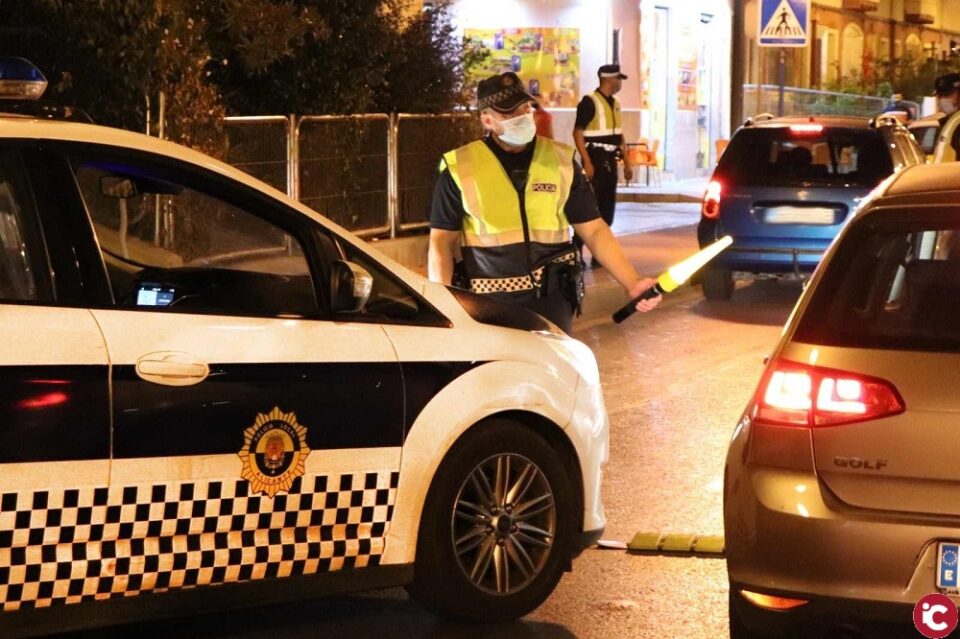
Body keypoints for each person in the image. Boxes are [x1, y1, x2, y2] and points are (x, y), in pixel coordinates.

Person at [428, 72, 661, 333]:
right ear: (487, 120)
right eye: (510, 113)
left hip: (552, 301)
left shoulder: (560, 160)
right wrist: (441, 305)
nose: (522, 117)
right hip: (489, 305)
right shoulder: (461, 167)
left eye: (526, 108)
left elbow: (594, 230)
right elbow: (441, 242)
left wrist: (632, 282)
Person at [573, 64, 633, 268]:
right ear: (609, 79)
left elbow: (620, 135)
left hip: (610, 159)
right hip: (596, 158)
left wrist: (627, 161)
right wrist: (587, 162)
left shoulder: (615, 103)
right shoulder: (589, 102)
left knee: (607, 211)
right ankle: (576, 253)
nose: (620, 83)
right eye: (618, 79)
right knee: (589, 209)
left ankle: (600, 256)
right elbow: (577, 132)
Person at [934, 72, 960, 163]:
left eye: (947, 95)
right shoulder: (950, 122)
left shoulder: (957, 123)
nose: (942, 99)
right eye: (940, 96)